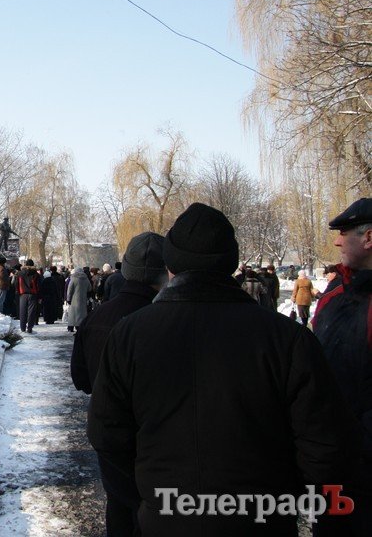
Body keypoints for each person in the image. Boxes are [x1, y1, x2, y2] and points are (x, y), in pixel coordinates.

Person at [87, 203, 358, 537]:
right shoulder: (286, 338)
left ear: (171, 265)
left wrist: (150, 495)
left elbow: (106, 433)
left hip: (165, 516)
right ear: (230, 262)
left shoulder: (130, 335)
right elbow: (322, 445)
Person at [71, 232, 166, 536]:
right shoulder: (166, 318)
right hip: (159, 433)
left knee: (120, 505)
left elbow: (80, 378)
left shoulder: (98, 316)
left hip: (109, 429)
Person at [311, 197, 372, 537]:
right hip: (332, 466)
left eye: (344, 232)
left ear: (369, 238)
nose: (335, 240)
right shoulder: (334, 291)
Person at [15, 259, 39, 333]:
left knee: (22, 311)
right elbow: (39, 285)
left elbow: (16, 284)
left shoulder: (19, 273)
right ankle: (30, 328)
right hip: (33, 294)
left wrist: (18, 293)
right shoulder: (36, 274)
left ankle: (22, 327)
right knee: (31, 312)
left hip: (23, 294)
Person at [65, 266, 90, 333]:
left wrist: (68, 299)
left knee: (73, 314)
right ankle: (80, 326)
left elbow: (69, 290)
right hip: (83, 299)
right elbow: (89, 288)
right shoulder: (86, 278)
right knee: (82, 314)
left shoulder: (73, 279)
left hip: (74, 300)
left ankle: (71, 327)